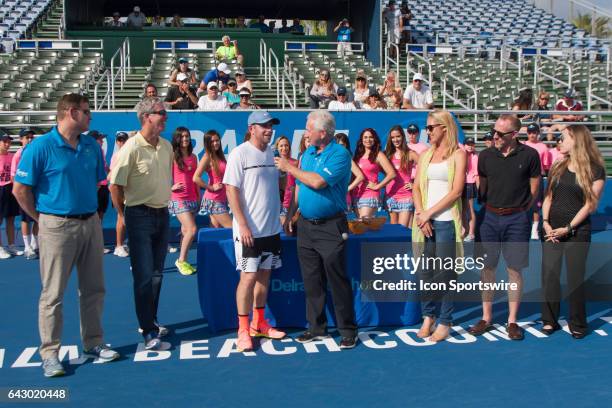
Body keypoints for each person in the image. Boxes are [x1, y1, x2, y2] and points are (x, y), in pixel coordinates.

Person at [13, 94, 120, 377]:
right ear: (71, 112)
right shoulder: (40, 147)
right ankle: (50, 354)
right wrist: (42, 219)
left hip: (90, 225)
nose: (90, 117)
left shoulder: (91, 146)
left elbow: (98, 182)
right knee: (53, 294)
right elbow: (20, 190)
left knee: (94, 288)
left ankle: (94, 343)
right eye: (86, 112)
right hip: (55, 226)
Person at [275, 110, 358, 349]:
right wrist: (291, 215)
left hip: (331, 226)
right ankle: (316, 327)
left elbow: (318, 182)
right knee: (311, 280)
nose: (306, 132)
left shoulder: (340, 154)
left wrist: (289, 168)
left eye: (309, 128)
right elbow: (300, 188)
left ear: (323, 132)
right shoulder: (306, 154)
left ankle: (348, 329)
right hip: (306, 226)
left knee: (337, 279)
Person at [468, 114, 541, 341]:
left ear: (514, 134)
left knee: (514, 269)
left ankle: (512, 321)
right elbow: (483, 185)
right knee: (487, 268)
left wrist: (519, 210)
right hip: (489, 218)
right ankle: (486, 317)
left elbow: (534, 188)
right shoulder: (486, 156)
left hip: (517, 220)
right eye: (494, 132)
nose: (495, 136)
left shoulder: (530, 155)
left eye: (500, 133)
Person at [109, 97, 173, 351]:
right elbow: (115, 185)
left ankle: (152, 321)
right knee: (144, 276)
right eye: (161, 113)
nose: (165, 117)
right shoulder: (131, 148)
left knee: (157, 275)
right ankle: (147, 331)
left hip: (162, 214)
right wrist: (123, 214)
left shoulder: (166, 146)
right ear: (147, 116)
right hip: (138, 216)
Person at [223, 111, 285, 352]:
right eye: (264, 126)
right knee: (248, 278)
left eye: (271, 125)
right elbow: (231, 191)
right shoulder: (239, 153)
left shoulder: (271, 153)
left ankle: (259, 323)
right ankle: (243, 329)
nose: (269, 129)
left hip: (270, 229)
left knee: (264, 276)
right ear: (252, 128)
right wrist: (243, 224)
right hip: (249, 231)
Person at [540, 125, 605, 339]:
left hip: (577, 232)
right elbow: (548, 197)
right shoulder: (558, 165)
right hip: (551, 231)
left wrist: (568, 228)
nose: (559, 141)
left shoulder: (595, 170)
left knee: (574, 278)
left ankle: (578, 323)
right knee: (549, 277)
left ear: (576, 140)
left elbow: (589, 205)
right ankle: (549, 321)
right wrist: (547, 223)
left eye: (563, 138)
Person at [412, 110, 466, 342]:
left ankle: (445, 321)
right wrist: (421, 214)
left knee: (445, 273)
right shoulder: (425, 154)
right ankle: (428, 317)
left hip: (445, 223)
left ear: (444, 127)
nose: (428, 131)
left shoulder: (458, 154)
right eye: (427, 128)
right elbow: (415, 187)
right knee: (425, 272)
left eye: (431, 127)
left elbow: (456, 192)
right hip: (425, 222)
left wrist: (429, 214)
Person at [167, 127, 199, 275]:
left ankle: (184, 260)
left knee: (185, 230)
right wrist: (170, 187)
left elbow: (195, 180)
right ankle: (180, 261)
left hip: (192, 198)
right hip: (178, 199)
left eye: (187, 136)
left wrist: (198, 197)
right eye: (182, 137)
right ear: (177, 139)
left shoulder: (194, 157)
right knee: (192, 229)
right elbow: (162, 175)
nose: (185, 139)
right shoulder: (172, 156)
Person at [353, 128, 396, 218]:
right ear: (361, 139)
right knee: (361, 228)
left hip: (370, 194)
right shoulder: (358, 155)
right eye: (365, 137)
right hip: (356, 194)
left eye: (371, 137)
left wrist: (377, 186)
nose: (368, 140)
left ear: (375, 139)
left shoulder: (378, 154)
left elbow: (392, 173)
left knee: (363, 223)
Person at [194, 130, 232, 228]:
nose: (215, 143)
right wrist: (211, 187)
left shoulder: (220, 156)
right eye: (212, 141)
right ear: (207, 143)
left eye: (217, 140)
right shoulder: (207, 157)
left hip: (221, 199)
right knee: (232, 228)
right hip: (213, 200)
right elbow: (196, 178)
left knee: (215, 231)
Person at [10, 128, 38, 259]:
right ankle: (27, 247)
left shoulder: (37, 152)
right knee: (26, 219)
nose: (30, 139)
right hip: (25, 192)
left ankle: (35, 243)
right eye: (27, 137)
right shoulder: (18, 155)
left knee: (38, 217)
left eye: (32, 137)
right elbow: (14, 177)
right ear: (21, 140)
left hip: (37, 192)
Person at [384, 125, 418, 228]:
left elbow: (426, 167)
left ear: (403, 137)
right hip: (390, 197)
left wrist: (415, 184)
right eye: (393, 137)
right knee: (393, 232)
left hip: (406, 197)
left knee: (402, 229)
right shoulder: (386, 155)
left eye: (398, 136)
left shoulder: (410, 153)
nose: (395, 139)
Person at [524, 123, 551, 240]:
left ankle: (534, 229)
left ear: (538, 133)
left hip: (537, 178)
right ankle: (522, 227)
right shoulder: (522, 145)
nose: (532, 135)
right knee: (521, 203)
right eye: (529, 132)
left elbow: (545, 167)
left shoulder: (543, 147)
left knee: (536, 205)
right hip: (522, 178)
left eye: (534, 132)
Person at [0, 134, 21, 258]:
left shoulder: (12, 157)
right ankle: (0, 247)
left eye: (9, 142)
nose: (7, 144)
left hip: (10, 188)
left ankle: (12, 245)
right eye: (4, 142)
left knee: (10, 219)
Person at [334, 133, 365, 214]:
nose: (339, 147)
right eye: (336, 145)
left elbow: (360, 176)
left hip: (343, 200)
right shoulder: (331, 160)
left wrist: (347, 188)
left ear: (346, 146)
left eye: (342, 145)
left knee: (342, 225)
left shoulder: (347, 159)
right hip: (331, 199)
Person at [109, 132, 129, 257]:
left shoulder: (128, 154)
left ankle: (123, 244)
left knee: (126, 218)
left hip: (129, 191)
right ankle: (118, 246)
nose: (122, 142)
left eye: (124, 140)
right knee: (121, 218)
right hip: (119, 192)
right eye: (119, 140)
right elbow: (112, 176)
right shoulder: (117, 156)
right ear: (116, 142)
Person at [90, 131, 111, 227]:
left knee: (102, 211)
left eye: (102, 139)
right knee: (93, 213)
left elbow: (105, 167)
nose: (102, 141)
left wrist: (111, 172)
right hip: (94, 187)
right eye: (100, 139)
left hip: (104, 186)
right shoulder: (88, 152)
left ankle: (99, 234)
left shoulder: (101, 151)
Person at [276, 136, 298, 225]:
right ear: (277, 147)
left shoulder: (295, 163)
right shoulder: (272, 162)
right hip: (275, 203)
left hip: (289, 203)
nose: (284, 148)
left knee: (287, 228)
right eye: (281, 146)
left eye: (286, 145)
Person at [462, 137, 479, 242]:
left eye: (472, 144)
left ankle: (471, 233)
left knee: (470, 209)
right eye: (468, 144)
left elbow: (477, 174)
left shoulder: (475, 157)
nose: (470, 146)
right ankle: (466, 231)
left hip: (470, 184)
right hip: (461, 184)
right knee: (463, 210)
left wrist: (479, 188)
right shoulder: (461, 154)